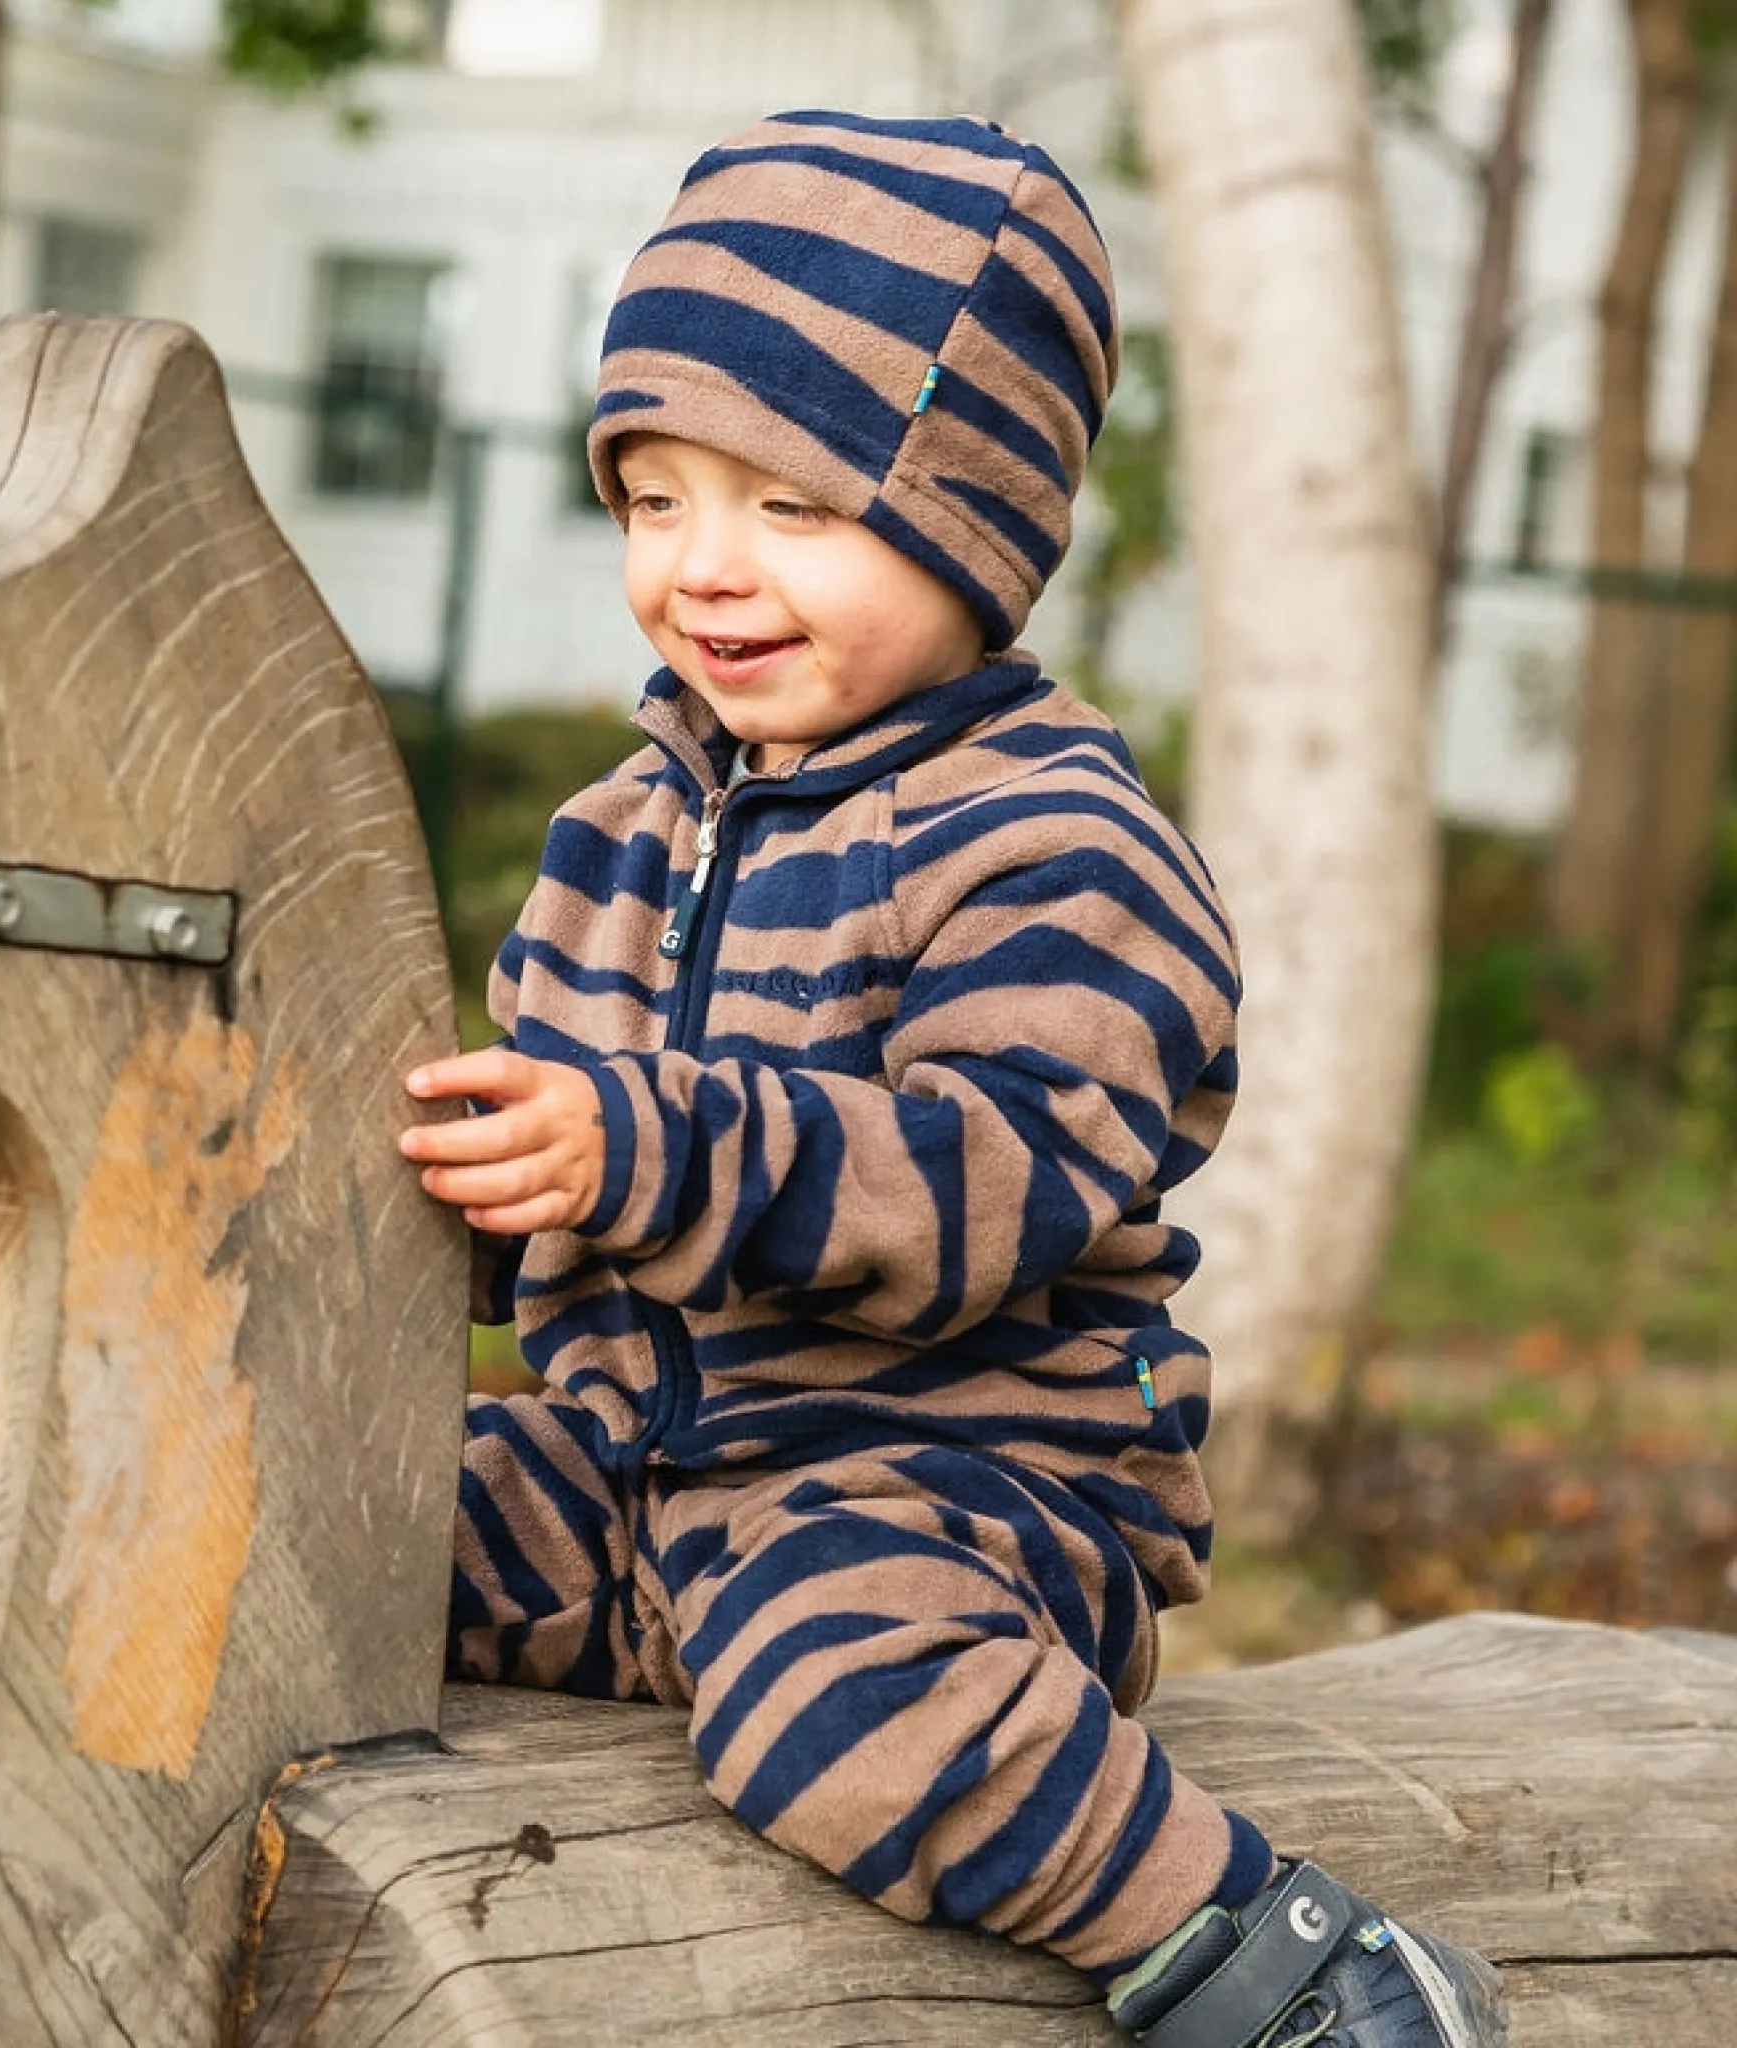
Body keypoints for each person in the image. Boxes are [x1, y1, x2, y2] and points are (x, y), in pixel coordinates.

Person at [398, 108, 1506, 2048]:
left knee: (831, 1701)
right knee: (339, 1521)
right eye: (653, 500)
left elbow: (998, 1168)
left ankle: (1278, 1958)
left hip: (957, 1487)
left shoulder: (1053, 836)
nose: (702, 570)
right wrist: (446, 1209)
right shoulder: (615, 835)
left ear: (980, 517)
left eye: (790, 507)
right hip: (642, 1485)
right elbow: (546, 1193)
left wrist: (639, 1150)